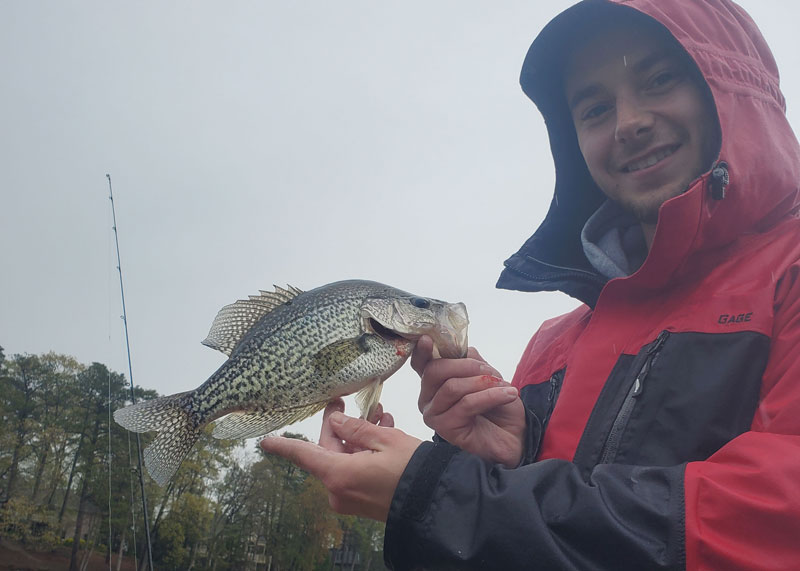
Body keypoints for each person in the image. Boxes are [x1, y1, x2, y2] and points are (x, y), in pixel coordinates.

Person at [261, 0, 800, 568]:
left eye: (660, 78)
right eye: (593, 109)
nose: (629, 122)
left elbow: (770, 524)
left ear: (735, 87)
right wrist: (512, 459)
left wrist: (437, 495)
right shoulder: (550, 346)